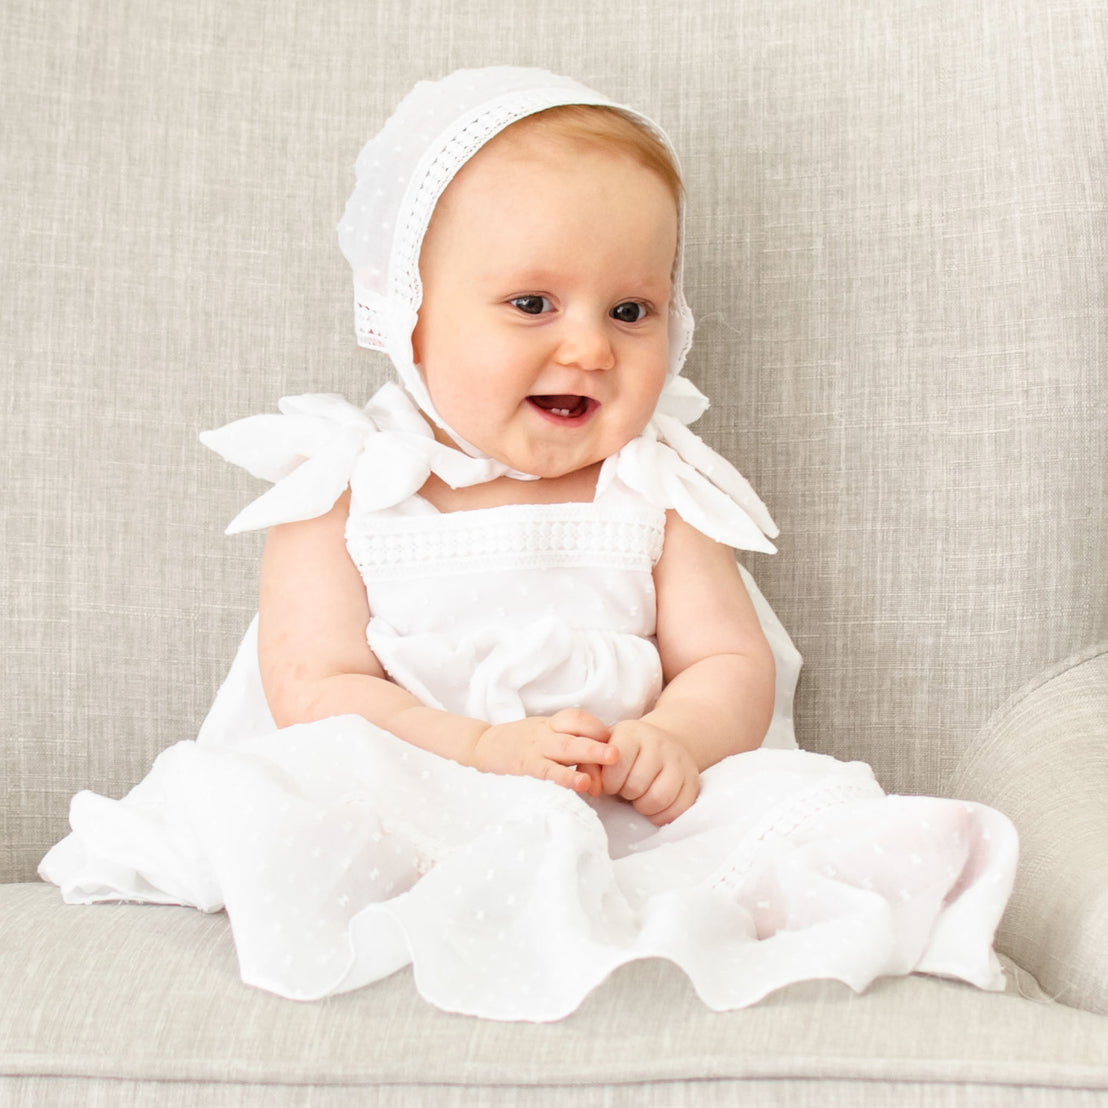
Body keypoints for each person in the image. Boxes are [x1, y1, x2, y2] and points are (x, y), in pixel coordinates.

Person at [40, 67, 1017, 1022]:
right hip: (420, 786)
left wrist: (670, 741)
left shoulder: (652, 485)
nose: (590, 347)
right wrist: (478, 746)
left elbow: (727, 657)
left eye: (629, 311)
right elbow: (315, 692)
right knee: (288, 796)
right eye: (531, 305)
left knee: (809, 809)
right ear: (406, 315)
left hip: (621, 809)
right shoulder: (347, 485)